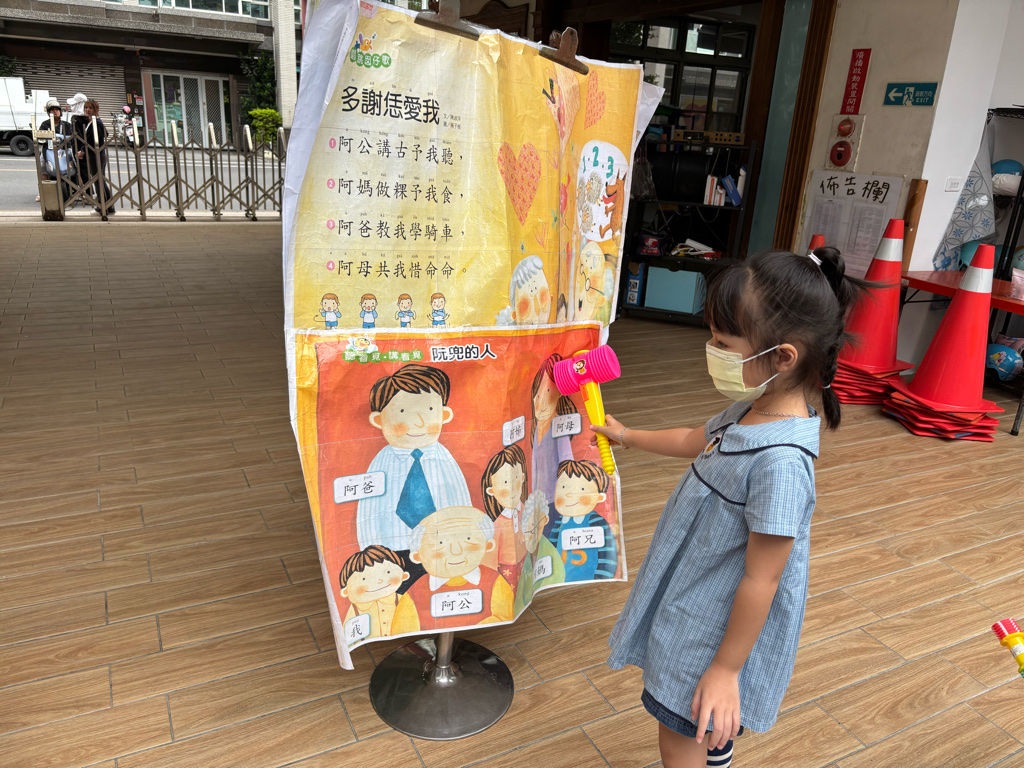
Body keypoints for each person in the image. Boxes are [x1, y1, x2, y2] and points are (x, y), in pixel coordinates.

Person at [591, 248, 869, 768]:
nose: (711, 350)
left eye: (723, 343)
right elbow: (694, 438)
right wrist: (627, 436)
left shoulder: (781, 463)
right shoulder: (751, 409)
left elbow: (764, 579)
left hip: (714, 624)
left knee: (682, 728)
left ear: (783, 357)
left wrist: (725, 669)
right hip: (695, 592)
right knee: (701, 726)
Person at [355, 364, 472, 588]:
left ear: (444, 415)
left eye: (429, 410)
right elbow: (369, 510)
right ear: (379, 420)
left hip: (441, 548)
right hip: (393, 550)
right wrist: (372, 555)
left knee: (436, 592)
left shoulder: (444, 457)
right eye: (402, 412)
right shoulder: (381, 461)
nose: (418, 422)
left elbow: (460, 499)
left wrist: (463, 539)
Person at [73, 98, 114, 214]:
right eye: (86, 107)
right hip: (97, 154)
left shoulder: (96, 122)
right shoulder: (93, 121)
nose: (88, 110)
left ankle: (102, 207)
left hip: (96, 155)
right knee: (100, 180)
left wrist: (82, 151)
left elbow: (92, 141)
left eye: (90, 108)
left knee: (98, 180)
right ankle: (109, 206)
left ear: (97, 109)